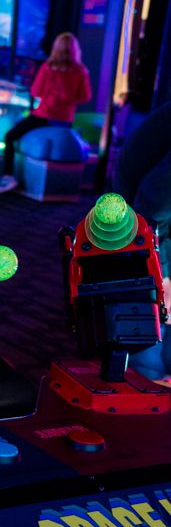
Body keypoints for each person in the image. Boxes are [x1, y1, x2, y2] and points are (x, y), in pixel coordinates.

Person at [111, 98, 171, 383]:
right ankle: (145, 374)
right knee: (153, 294)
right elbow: (152, 206)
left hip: (152, 210)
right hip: (146, 217)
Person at [0, 32, 92, 193]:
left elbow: (35, 91)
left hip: (44, 116)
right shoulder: (81, 71)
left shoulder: (48, 68)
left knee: (10, 136)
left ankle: (8, 176)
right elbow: (85, 97)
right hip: (65, 121)